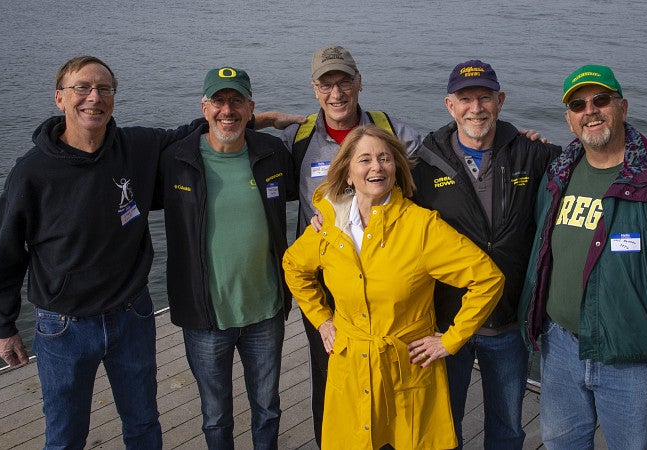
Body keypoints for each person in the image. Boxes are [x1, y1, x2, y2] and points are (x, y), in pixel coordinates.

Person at [0, 55, 300, 450]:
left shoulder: (139, 148)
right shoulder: (32, 171)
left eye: (104, 89)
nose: (93, 97)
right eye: (82, 88)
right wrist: (4, 324)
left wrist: (263, 120)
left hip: (130, 314)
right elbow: (8, 250)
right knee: (64, 436)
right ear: (59, 98)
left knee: (144, 425)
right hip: (64, 324)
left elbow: (208, 127)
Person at [519, 65, 647, 449]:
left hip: (630, 357)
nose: (590, 110)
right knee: (561, 444)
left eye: (601, 100)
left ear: (622, 107)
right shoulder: (558, 172)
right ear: (569, 119)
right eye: (578, 104)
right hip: (560, 349)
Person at [282, 125, 505, 449]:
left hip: (408, 366)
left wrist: (452, 339)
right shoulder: (328, 225)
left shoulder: (421, 227)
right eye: (365, 159)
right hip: (351, 366)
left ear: (396, 168)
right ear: (346, 173)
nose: (376, 167)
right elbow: (293, 265)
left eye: (385, 159)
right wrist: (322, 318)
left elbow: (487, 278)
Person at [411, 60, 561, 449]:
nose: (475, 107)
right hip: (446, 323)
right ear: (449, 105)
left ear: (501, 100)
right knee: (445, 425)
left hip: (509, 321)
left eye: (484, 97)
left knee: (508, 425)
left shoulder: (533, 154)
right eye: (465, 99)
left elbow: (591, 165)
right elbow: (370, 189)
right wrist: (328, 215)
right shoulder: (423, 162)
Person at [280, 44, 421, 446]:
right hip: (330, 281)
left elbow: (443, 153)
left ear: (359, 83)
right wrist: (261, 119)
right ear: (314, 89)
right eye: (327, 85)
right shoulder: (299, 137)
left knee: (387, 371)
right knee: (329, 373)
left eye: (344, 82)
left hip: (385, 277)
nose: (336, 93)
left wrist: (519, 141)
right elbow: (238, 145)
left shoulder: (389, 128)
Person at [156, 66, 296, 450]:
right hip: (204, 317)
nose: (227, 110)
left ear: (250, 108)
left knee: (267, 407)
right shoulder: (175, 161)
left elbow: (324, 181)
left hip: (266, 311)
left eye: (237, 101)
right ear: (204, 107)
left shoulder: (273, 154)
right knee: (215, 416)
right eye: (218, 101)